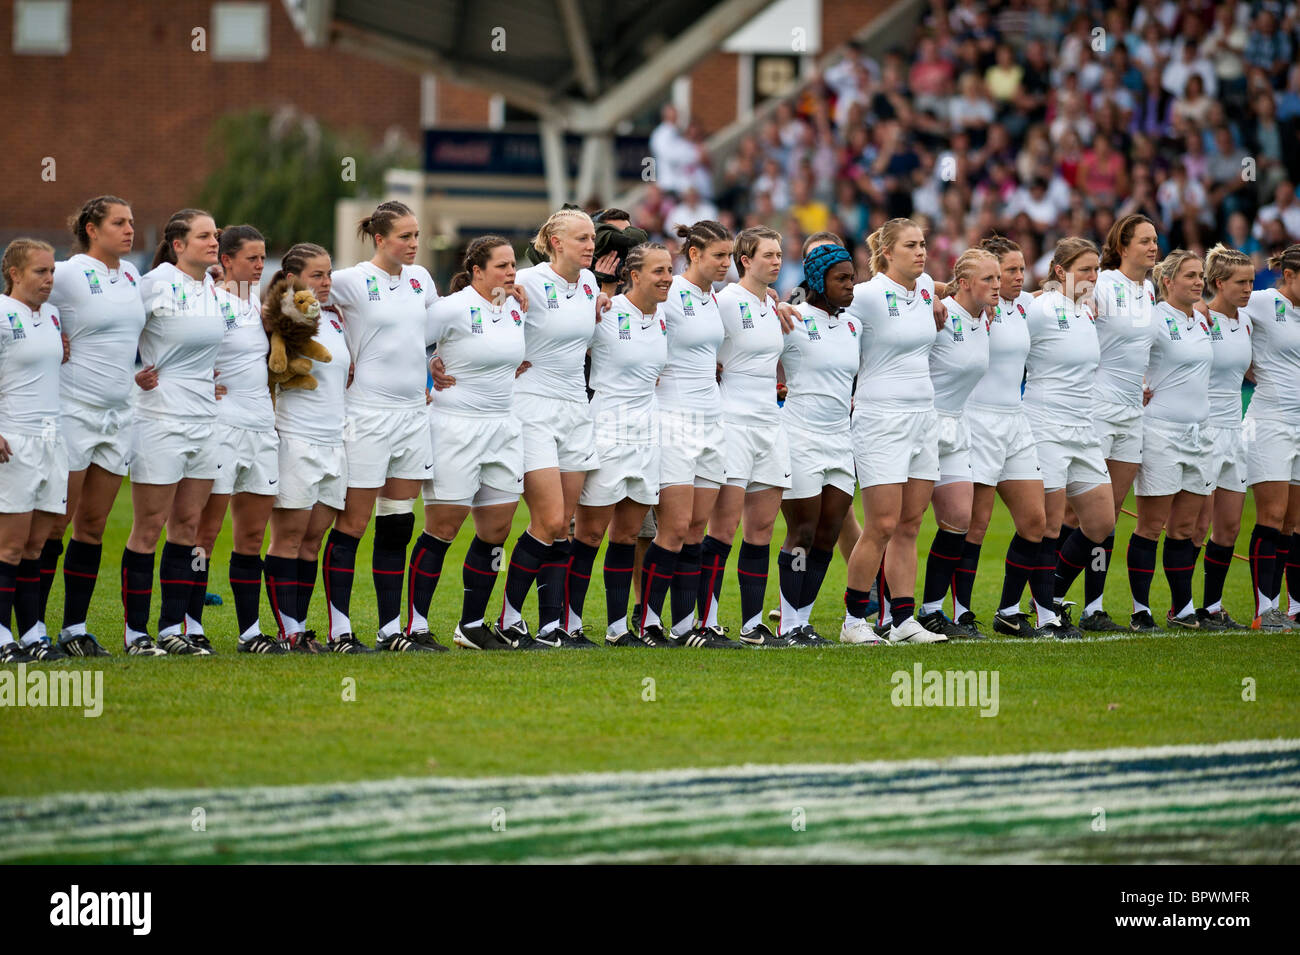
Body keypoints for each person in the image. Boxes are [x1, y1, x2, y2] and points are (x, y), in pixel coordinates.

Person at [323, 201, 437, 653]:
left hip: (413, 413)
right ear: (379, 238)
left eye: (416, 236)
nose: (413, 244)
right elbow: (291, 301)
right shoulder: (351, 281)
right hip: (365, 414)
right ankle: (340, 630)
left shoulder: (421, 279)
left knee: (397, 524)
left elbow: (434, 331)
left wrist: (438, 363)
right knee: (352, 523)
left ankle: (392, 630)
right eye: (404, 237)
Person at [405, 236, 529, 651]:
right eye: (501, 266)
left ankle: (472, 625)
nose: (511, 273)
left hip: (504, 428)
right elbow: (406, 342)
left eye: (513, 265)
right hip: (455, 426)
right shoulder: (452, 307)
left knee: (496, 531)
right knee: (443, 529)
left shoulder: (516, 307)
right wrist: (428, 366)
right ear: (477, 271)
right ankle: (415, 627)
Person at [123, 208, 227, 656]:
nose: (214, 242)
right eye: (204, 235)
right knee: (148, 527)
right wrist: (133, 373)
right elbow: (112, 338)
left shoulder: (211, 288)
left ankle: (172, 629)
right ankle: (135, 633)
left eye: (216, 235)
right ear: (178, 244)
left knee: (188, 528)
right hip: (160, 420)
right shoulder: (154, 285)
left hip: (206, 422)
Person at [840, 218, 947, 646]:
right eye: (911, 245)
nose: (921, 251)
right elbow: (820, 307)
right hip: (880, 418)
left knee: (909, 524)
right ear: (887, 253)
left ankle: (903, 620)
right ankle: (853, 620)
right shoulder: (864, 296)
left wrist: (942, 294)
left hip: (924, 416)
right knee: (881, 523)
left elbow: (950, 285)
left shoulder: (924, 289)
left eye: (923, 244)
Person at [45, 196, 144, 656]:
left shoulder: (131, 275)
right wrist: (49, 330)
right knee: (52, 526)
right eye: (118, 223)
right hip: (72, 411)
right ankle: (27, 631)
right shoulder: (65, 274)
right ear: (90, 228)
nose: (129, 230)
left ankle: (74, 630)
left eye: (130, 222)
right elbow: (18, 301)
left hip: (119, 413)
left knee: (93, 526)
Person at [498, 208, 601, 649]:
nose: (591, 244)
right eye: (581, 238)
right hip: (533, 405)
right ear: (556, 242)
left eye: (592, 237)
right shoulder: (529, 282)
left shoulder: (591, 284)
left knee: (566, 527)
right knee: (550, 518)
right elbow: (481, 314)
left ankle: (550, 626)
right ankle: (506, 619)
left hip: (577, 407)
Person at [568, 243, 671, 647]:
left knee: (627, 536)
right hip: (607, 429)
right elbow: (555, 339)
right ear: (635, 275)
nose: (666, 278)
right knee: (590, 534)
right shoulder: (606, 312)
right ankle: (568, 623)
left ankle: (617, 628)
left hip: (648, 434)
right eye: (657, 271)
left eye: (669, 270)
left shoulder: (666, 317)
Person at [189, 225, 286, 653]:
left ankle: (250, 632)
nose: (260, 265)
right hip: (221, 427)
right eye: (251, 258)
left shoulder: (265, 310)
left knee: (251, 536)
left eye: (264, 257)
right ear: (226, 260)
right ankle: (190, 627)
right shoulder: (207, 300)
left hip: (262, 427)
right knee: (204, 534)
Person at [638, 220, 733, 648]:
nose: (726, 264)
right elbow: (628, 317)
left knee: (697, 529)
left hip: (713, 420)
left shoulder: (715, 298)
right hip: (673, 420)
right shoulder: (669, 292)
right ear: (693, 254)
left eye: (730, 256)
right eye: (718, 256)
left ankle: (684, 627)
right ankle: (647, 622)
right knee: (673, 528)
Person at [697, 227, 792, 647]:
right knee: (723, 526)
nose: (776, 261)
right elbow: (703, 355)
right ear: (745, 261)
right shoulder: (724, 303)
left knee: (763, 528)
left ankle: (752, 625)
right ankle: (706, 621)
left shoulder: (772, 304)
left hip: (770, 424)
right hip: (731, 422)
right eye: (768, 255)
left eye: (779, 254)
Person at [958, 236, 1053, 639]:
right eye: (1006, 271)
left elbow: (1068, 293)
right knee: (974, 526)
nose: (1016, 277)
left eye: (1019, 269)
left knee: (1035, 522)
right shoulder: (975, 309)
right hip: (978, 421)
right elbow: (945, 296)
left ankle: (1009, 610)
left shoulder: (1028, 305)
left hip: (1016, 421)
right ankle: (960, 613)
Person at [1072, 214, 1160, 630]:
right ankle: (1046, 597)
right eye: (1144, 240)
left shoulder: (1150, 289)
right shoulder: (1103, 283)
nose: (1153, 246)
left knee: (1109, 515)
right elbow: (1058, 296)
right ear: (1122, 247)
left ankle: (1093, 606)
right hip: (1097, 407)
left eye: (1155, 240)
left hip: (1132, 411)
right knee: (1081, 517)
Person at [1023, 237, 1114, 640]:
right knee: (1046, 525)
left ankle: (1052, 594)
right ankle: (1045, 614)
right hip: (1046, 426)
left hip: (1084, 428)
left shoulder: (1087, 311)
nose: (1093, 277)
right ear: (1061, 271)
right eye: (1085, 270)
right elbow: (996, 316)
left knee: (1100, 522)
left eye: (1097, 270)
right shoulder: (1039, 308)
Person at [262, 243, 348, 653]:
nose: (326, 282)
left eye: (329, 274)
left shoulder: (333, 318)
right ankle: (288, 631)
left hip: (336, 439)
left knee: (313, 539)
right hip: (296, 437)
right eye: (317, 275)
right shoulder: (281, 317)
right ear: (294, 279)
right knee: (289, 539)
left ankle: (299, 626)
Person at [775, 242, 857, 646]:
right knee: (802, 532)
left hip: (841, 439)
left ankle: (803, 621)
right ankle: (787, 624)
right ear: (817, 280)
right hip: (800, 437)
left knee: (828, 533)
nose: (850, 285)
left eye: (852, 277)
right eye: (841, 278)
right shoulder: (792, 318)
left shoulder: (854, 325)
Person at [1126, 250, 1213, 631]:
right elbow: (1120, 354)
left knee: (1185, 529)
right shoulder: (1153, 318)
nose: (1198, 282)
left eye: (1201, 276)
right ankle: (1140, 609)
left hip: (1199, 433)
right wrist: (1138, 386)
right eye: (1190, 276)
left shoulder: (1202, 320)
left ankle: (1182, 608)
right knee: (1151, 525)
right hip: (1160, 431)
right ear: (1167, 281)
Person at [915, 248, 997, 640]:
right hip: (921, 425)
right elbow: (901, 290)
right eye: (988, 280)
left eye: (999, 278)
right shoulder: (939, 314)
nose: (997, 286)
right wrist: (933, 293)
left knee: (959, 520)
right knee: (900, 525)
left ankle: (931, 610)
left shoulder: (985, 317)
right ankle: (878, 613)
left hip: (956, 427)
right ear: (963, 284)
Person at [0, 239, 70, 662]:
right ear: (14, 273)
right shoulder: (2, 315)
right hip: (15, 441)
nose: (49, 280)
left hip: (52, 441)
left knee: (34, 548)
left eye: (52, 272)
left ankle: (31, 636)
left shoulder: (53, 315)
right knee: (8, 547)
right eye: (40, 272)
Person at [1194, 245, 1255, 630]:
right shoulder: (1198, 317)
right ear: (1219, 283)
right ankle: (1180, 608)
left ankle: (1212, 606)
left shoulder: (1248, 322)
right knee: (1195, 527)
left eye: (1251, 281)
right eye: (1241, 282)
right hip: (1203, 430)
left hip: (1236, 431)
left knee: (1229, 527)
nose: (1249, 288)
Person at [1242, 244, 1300, 630]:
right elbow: (1215, 312)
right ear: (1290, 275)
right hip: (1270, 421)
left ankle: (1295, 608)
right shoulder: (1262, 301)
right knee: (1272, 516)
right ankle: (1266, 610)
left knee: (1295, 523)